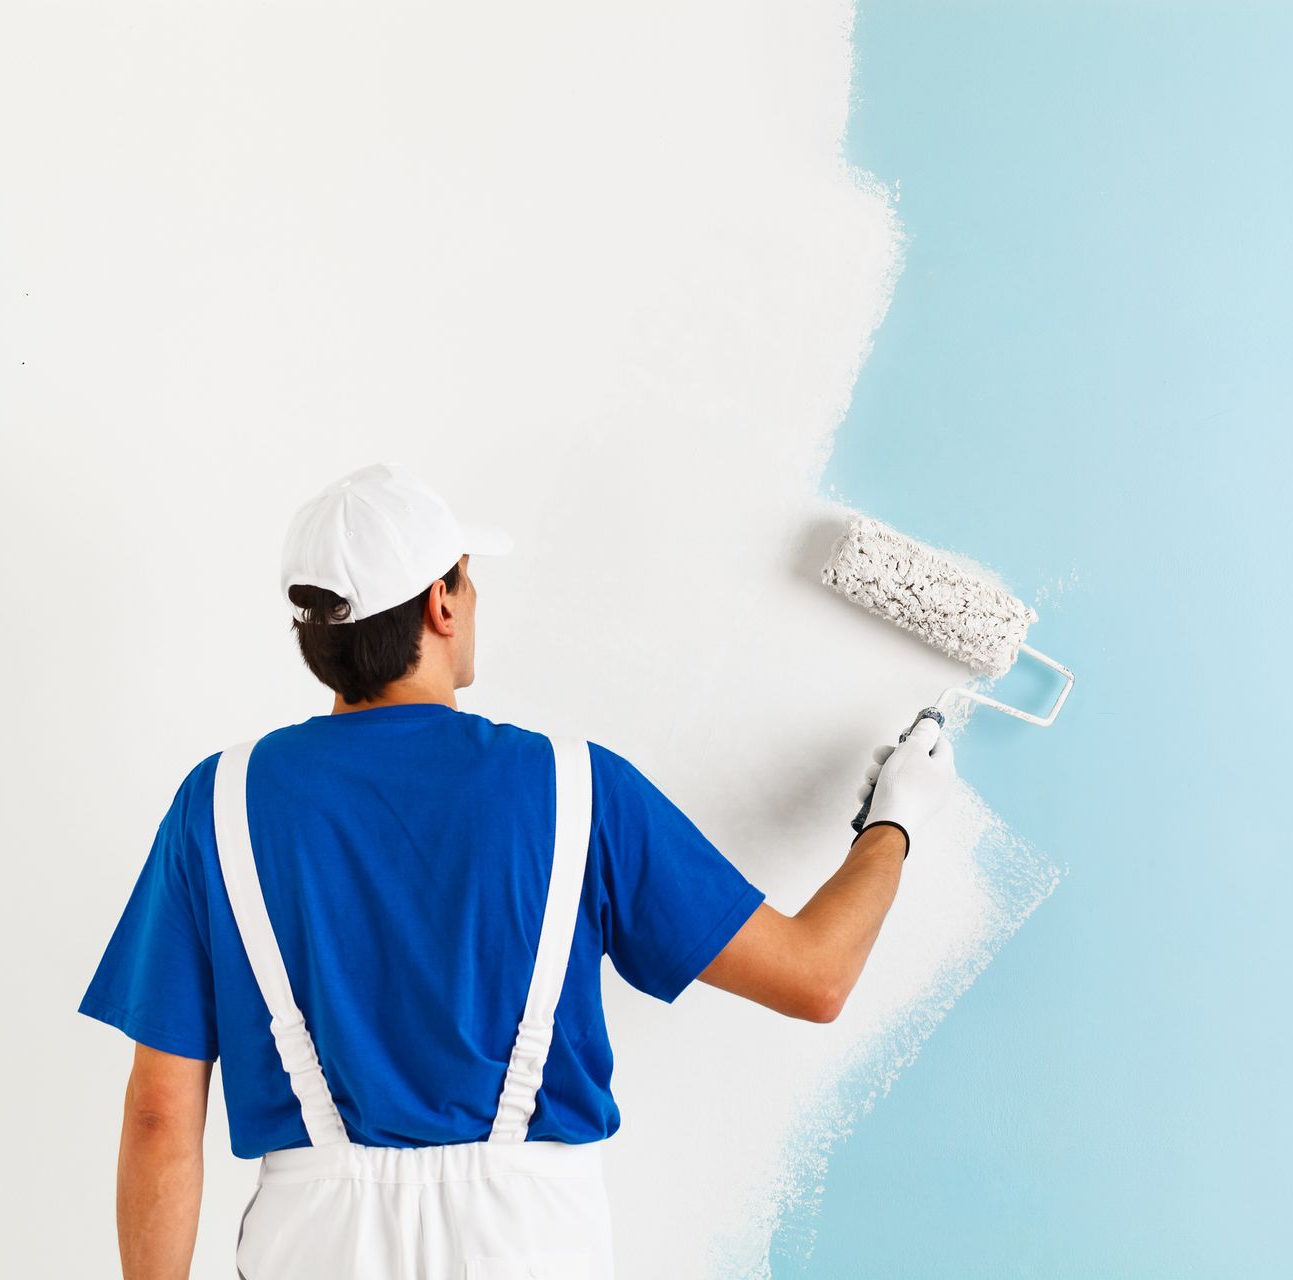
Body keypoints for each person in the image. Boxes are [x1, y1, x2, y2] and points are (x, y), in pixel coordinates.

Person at [76, 460, 956, 1279]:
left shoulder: (219, 803)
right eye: (466, 575)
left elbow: (161, 1117)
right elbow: (814, 980)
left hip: (312, 1243)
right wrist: (895, 819)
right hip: (530, 1242)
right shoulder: (576, 789)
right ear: (441, 605)